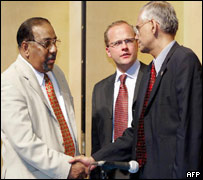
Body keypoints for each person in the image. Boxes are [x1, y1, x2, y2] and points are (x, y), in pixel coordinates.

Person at [70, 1, 202, 179]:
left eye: (138, 29)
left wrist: (189, 176)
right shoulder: (151, 72)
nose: (137, 36)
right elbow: (137, 131)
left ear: (153, 26)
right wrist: (94, 158)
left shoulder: (184, 60)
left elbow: (191, 131)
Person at [1, 17, 87, 179]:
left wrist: (75, 162)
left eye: (55, 42)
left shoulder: (57, 74)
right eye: (46, 43)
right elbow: (25, 143)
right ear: (26, 47)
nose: (54, 49)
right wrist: (66, 168)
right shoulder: (9, 82)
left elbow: (66, 125)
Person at [91, 20, 147, 179]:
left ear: (137, 43)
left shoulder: (152, 78)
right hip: (110, 173)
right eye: (117, 43)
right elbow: (97, 142)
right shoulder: (99, 89)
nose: (124, 47)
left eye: (129, 40)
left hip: (145, 170)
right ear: (108, 51)